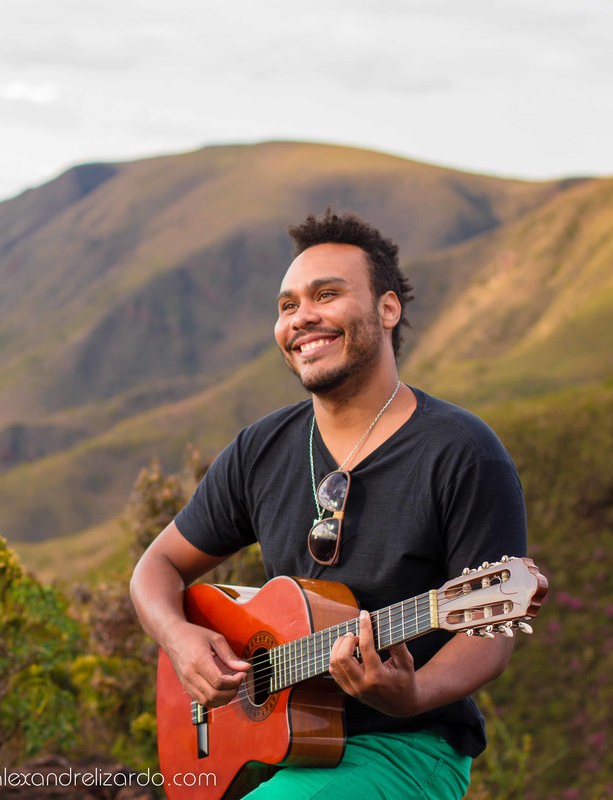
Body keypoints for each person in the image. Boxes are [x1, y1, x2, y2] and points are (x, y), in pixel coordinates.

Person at [129, 210, 527, 798]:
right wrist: (179, 638)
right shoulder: (260, 449)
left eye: (326, 295)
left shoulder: (463, 451)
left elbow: (490, 633)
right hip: (287, 750)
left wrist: (411, 693)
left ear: (387, 309)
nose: (301, 317)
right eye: (287, 305)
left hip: (405, 747)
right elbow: (155, 568)